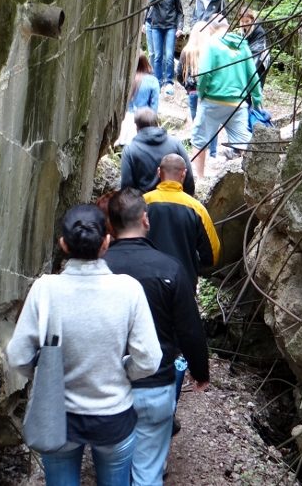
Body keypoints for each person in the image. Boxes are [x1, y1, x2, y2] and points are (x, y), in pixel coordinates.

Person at [6, 205, 162, 486]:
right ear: (106, 242)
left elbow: (18, 356)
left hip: (58, 416)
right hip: (113, 417)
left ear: (63, 244)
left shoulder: (46, 289)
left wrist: (46, 374)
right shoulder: (128, 289)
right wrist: (125, 369)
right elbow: (149, 360)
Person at [103, 189, 211, 486]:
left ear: (110, 224)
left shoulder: (98, 270)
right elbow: (190, 329)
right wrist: (200, 371)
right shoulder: (170, 269)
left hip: (105, 388)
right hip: (155, 384)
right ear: (145, 220)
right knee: (148, 470)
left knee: (111, 471)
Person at [192, 15, 261, 178]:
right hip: (237, 104)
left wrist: (201, 94)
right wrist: (257, 100)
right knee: (244, 143)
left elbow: (204, 73)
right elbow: (253, 75)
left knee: (199, 140)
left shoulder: (211, 44)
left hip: (213, 101)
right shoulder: (242, 45)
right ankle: (253, 178)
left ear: (211, 28)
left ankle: (200, 179)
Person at [143, 154, 220, 290]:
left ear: (159, 172)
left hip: (148, 281)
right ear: (184, 174)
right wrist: (194, 265)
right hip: (183, 282)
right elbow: (213, 254)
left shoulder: (142, 203)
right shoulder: (196, 208)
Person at [121, 108, 196, 196]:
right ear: (157, 123)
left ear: (136, 127)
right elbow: (189, 179)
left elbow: (126, 188)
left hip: (145, 206)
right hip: (174, 201)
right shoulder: (175, 144)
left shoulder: (130, 150)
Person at [176, 23, 216, 158]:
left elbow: (179, 73)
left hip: (192, 92)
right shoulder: (210, 50)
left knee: (197, 122)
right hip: (209, 92)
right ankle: (213, 152)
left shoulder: (187, 51)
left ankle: (199, 151)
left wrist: (186, 86)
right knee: (210, 121)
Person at [145, 0, 184, 95]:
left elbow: (180, 12)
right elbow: (149, 3)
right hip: (156, 27)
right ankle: (157, 81)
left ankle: (168, 82)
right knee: (157, 56)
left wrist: (180, 27)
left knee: (169, 56)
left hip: (170, 27)